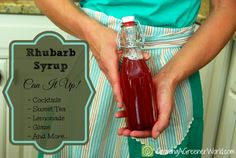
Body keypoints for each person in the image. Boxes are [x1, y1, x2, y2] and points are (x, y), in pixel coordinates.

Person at [35, 0, 236, 157]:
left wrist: (169, 77)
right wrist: (91, 32)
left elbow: (227, 7)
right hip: (91, 56)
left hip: (175, 66)